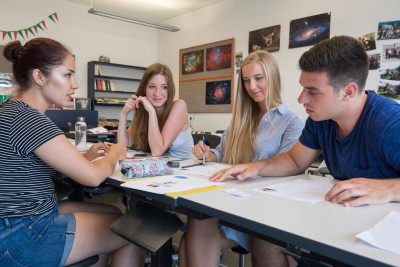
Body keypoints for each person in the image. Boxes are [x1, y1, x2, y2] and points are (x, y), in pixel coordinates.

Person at [210, 35, 400, 266]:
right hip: (341, 220)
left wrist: (390, 188)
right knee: (267, 239)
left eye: (312, 91)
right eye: (302, 88)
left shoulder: (389, 123)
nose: (301, 99)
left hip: (382, 238)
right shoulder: (320, 119)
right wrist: (256, 167)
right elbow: (294, 160)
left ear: (348, 92)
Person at [0, 37, 145, 267]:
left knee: (112, 212)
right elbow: (93, 177)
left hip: (14, 225)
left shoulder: (12, 110)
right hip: (22, 235)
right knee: (131, 229)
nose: (75, 84)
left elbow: (33, 165)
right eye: (67, 75)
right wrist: (115, 153)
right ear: (39, 77)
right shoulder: (30, 119)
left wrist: (86, 158)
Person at [178, 50, 304, 267]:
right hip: (228, 200)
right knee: (193, 228)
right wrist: (207, 154)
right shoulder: (241, 119)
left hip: (261, 210)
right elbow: (221, 153)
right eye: (246, 81)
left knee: (195, 230)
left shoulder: (292, 122)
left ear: (272, 77)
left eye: (258, 79)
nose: (252, 87)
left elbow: (290, 172)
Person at [118, 63, 194, 159]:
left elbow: (157, 151)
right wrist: (123, 115)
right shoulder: (144, 111)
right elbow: (123, 145)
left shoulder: (179, 106)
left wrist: (151, 112)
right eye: (152, 87)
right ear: (144, 88)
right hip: (160, 168)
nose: (157, 93)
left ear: (170, 89)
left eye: (164, 87)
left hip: (186, 169)